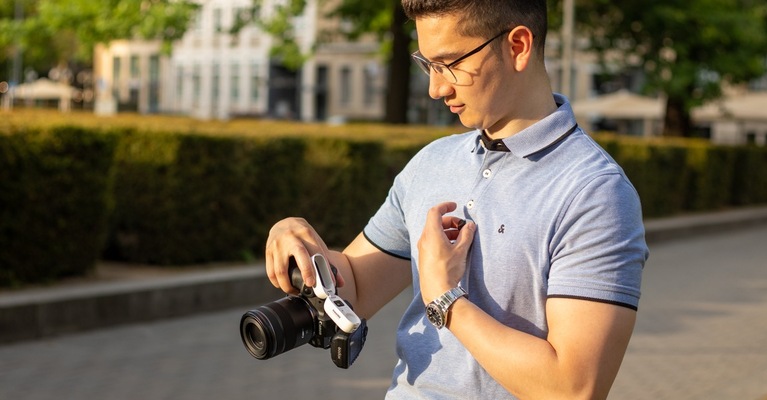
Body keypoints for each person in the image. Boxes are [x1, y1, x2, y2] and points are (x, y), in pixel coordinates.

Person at [265, 0, 649, 398]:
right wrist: (296, 237)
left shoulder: (595, 193)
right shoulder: (431, 162)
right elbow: (356, 291)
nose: (436, 88)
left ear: (517, 46)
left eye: (450, 63)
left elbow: (574, 389)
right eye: (428, 64)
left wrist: (446, 300)